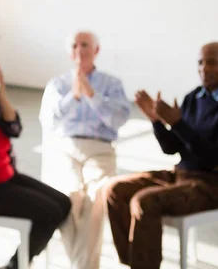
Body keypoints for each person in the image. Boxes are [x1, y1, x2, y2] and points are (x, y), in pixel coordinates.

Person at [105, 42, 218, 269]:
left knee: (144, 201)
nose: (204, 68)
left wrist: (177, 122)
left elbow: (217, 159)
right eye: (200, 62)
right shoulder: (193, 98)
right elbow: (171, 148)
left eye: (212, 62)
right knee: (115, 190)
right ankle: (134, 264)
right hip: (181, 176)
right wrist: (157, 121)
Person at [0, 49, 71, 269]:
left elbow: (15, 128)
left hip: (8, 177)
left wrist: (0, 96)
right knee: (50, 212)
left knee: (64, 204)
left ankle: (17, 262)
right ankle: (14, 266)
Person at [39, 31, 130, 269]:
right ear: (70, 52)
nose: (80, 50)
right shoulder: (58, 84)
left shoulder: (111, 83)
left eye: (85, 45)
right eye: (75, 46)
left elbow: (119, 119)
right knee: (70, 196)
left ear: (96, 50)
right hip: (65, 148)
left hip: (100, 149)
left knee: (97, 197)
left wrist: (91, 94)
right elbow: (49, 121)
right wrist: (74, 96)